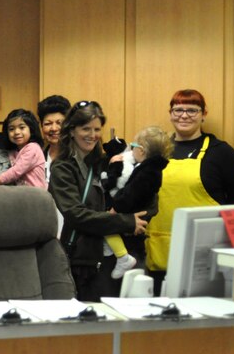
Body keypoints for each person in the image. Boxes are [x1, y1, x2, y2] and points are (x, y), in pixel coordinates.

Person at [145, 89, 234, 294]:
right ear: (170, 113)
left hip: (204, 256)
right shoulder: (156, 149)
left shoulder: (220, 152)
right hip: (158, 251)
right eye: (178, 110)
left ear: (204, 114)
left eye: (192, 110)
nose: (184, 115)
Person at [48, 100, 147, 302]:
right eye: (86, 129)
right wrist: (126, 221)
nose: (92, 135)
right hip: (85, 258)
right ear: (72, 130)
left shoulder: (106, 162)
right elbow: (76, 215)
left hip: (121, 254)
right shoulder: (63, 168)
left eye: (96, 129)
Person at [102, 125, 171, 279]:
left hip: (131, 233)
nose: (130, 150)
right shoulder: (148, 168)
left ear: (142, 150)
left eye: (132, 146)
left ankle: (122, 257)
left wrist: (114, 208)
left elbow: (130, 195)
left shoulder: (148, 172)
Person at [0, 108, 46, 189]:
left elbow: (15, 171)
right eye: (11, 129)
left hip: (37, 197)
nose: (16, 132)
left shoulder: (33, 148)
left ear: (31, 129)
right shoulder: (13, 152)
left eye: (22, 127)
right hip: (23, 196)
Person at [37, 95, 71, 182]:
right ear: (41, 127)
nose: (54, 128)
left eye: (59, 123)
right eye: (48, 124)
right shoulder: (36, 158)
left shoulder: (77, 158)